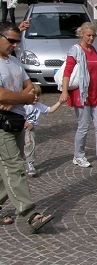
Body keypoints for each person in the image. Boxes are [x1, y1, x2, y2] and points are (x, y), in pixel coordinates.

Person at [0, 22, 54, 231]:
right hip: (2, 123)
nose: (14, 45)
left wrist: (17, 99)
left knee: (7, 168)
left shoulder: (14, 62)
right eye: (11, 40)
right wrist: (22, 97)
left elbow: (31, 88)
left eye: (17, 41)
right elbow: (2, 95)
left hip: (16, 120)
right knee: (14, 167)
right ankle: (30, 214)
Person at [59, 22, 97, 168]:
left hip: (96, 93)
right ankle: (78, 155)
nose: (91, 38)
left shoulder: (96, 51)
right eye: (88, 35)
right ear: (81, 34)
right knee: (83, 126)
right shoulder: (75, 50)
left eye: (93, 35)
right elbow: (67, 72)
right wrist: (65, 91)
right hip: (82, 94)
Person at [23, 85, 62, 177]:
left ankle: (30, 164)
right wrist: (27, 124)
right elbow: (19, 117)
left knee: (30, 146)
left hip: (30, 130)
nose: (36, 97)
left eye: (38, 95)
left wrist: (60, 102)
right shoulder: (24, 106)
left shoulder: (38, 106)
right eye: (34, 95)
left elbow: (50, 110)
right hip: (22, 129)